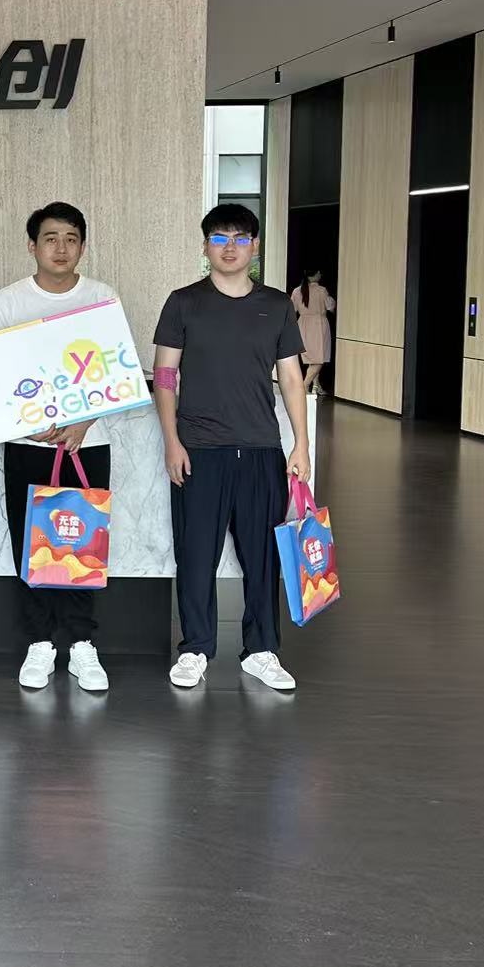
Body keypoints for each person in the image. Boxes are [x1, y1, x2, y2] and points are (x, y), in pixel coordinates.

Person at [153, 204, 311, 693]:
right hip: (199, 450)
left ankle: (262, 650)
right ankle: (195, 648)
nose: (229, 246)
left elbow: (291, 378)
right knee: (196, 554)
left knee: (263, 557)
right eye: (219, 237)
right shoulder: (183, 302)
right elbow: (165, 374)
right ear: (205, 246)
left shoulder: (276, 305)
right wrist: (171, 440)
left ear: (255, 247)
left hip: (261, 448)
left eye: (240, 238)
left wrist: (301, 444)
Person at [0, 202, 119, 694]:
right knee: (32, 543)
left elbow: (117, 369)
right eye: (50, 238)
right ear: (32, 245)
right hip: (28, 445)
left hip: (88, 444)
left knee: (83, 543)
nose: (61, 248)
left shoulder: (101, 297)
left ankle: (82, 644)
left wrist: (84, 420)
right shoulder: (7, 303)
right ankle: (40, 642)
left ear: (83, 246)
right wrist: (26, 422)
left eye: (71, 239)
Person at [293, 269, 336, 395]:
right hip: (319, 325)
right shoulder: (321, 290)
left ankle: (316, 387)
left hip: (303, 325)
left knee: (313, 358)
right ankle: (304, 386)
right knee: (319, 359)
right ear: (316, 274)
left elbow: (292, 309)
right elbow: (330, 307)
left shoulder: (297, 291)